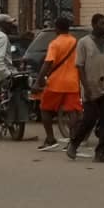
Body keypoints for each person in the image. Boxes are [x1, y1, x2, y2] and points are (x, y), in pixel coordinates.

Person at [66, 14, 104, 165]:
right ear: (94, 25)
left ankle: (101, 152)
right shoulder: (84, 43)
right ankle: (74, 144)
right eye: (102, 23)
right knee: (89, 119)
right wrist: (86, 87)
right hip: (90, 87)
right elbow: (80, 67)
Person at [34, 16, 82, 151]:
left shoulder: (54, 43)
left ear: (57, 28)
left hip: (55, 83)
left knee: (45, 109)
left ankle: (50, 139)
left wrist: (38, 81)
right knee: (73, 112)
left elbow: (48, 62)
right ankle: (73, 142)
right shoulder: (75, 42)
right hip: (72, 82)